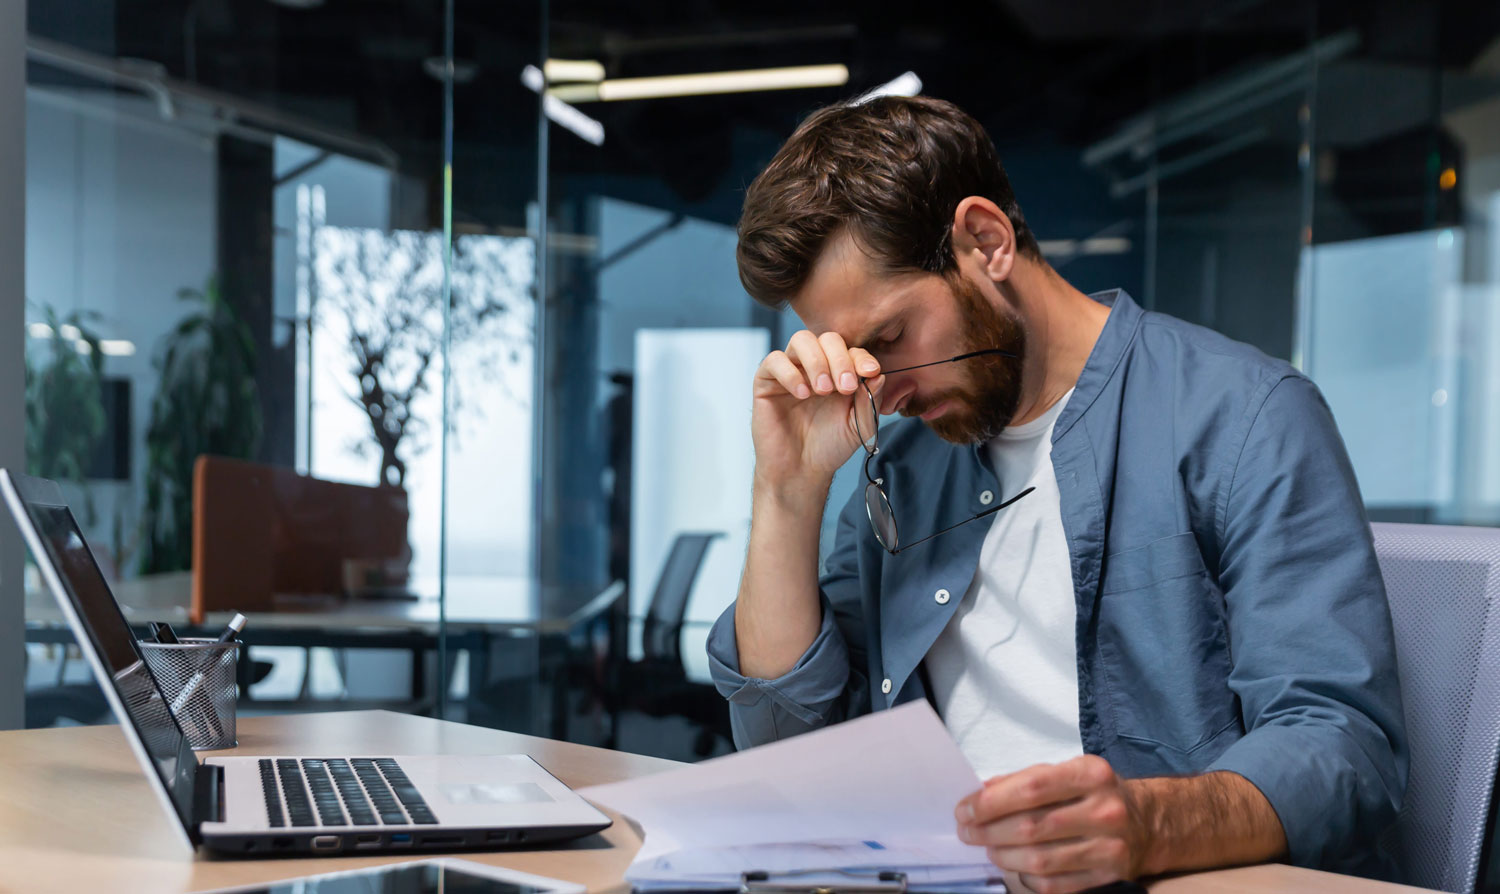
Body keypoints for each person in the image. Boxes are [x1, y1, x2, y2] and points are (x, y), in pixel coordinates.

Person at [705, 95, 1407, 893]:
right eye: (855, 356)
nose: (883, 390)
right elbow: (787, 749)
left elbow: (1343, 744)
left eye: (891, 339)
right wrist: (788, 491)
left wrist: (1150, 826)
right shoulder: (903, 464)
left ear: (986, 241)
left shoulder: (1243, 415)